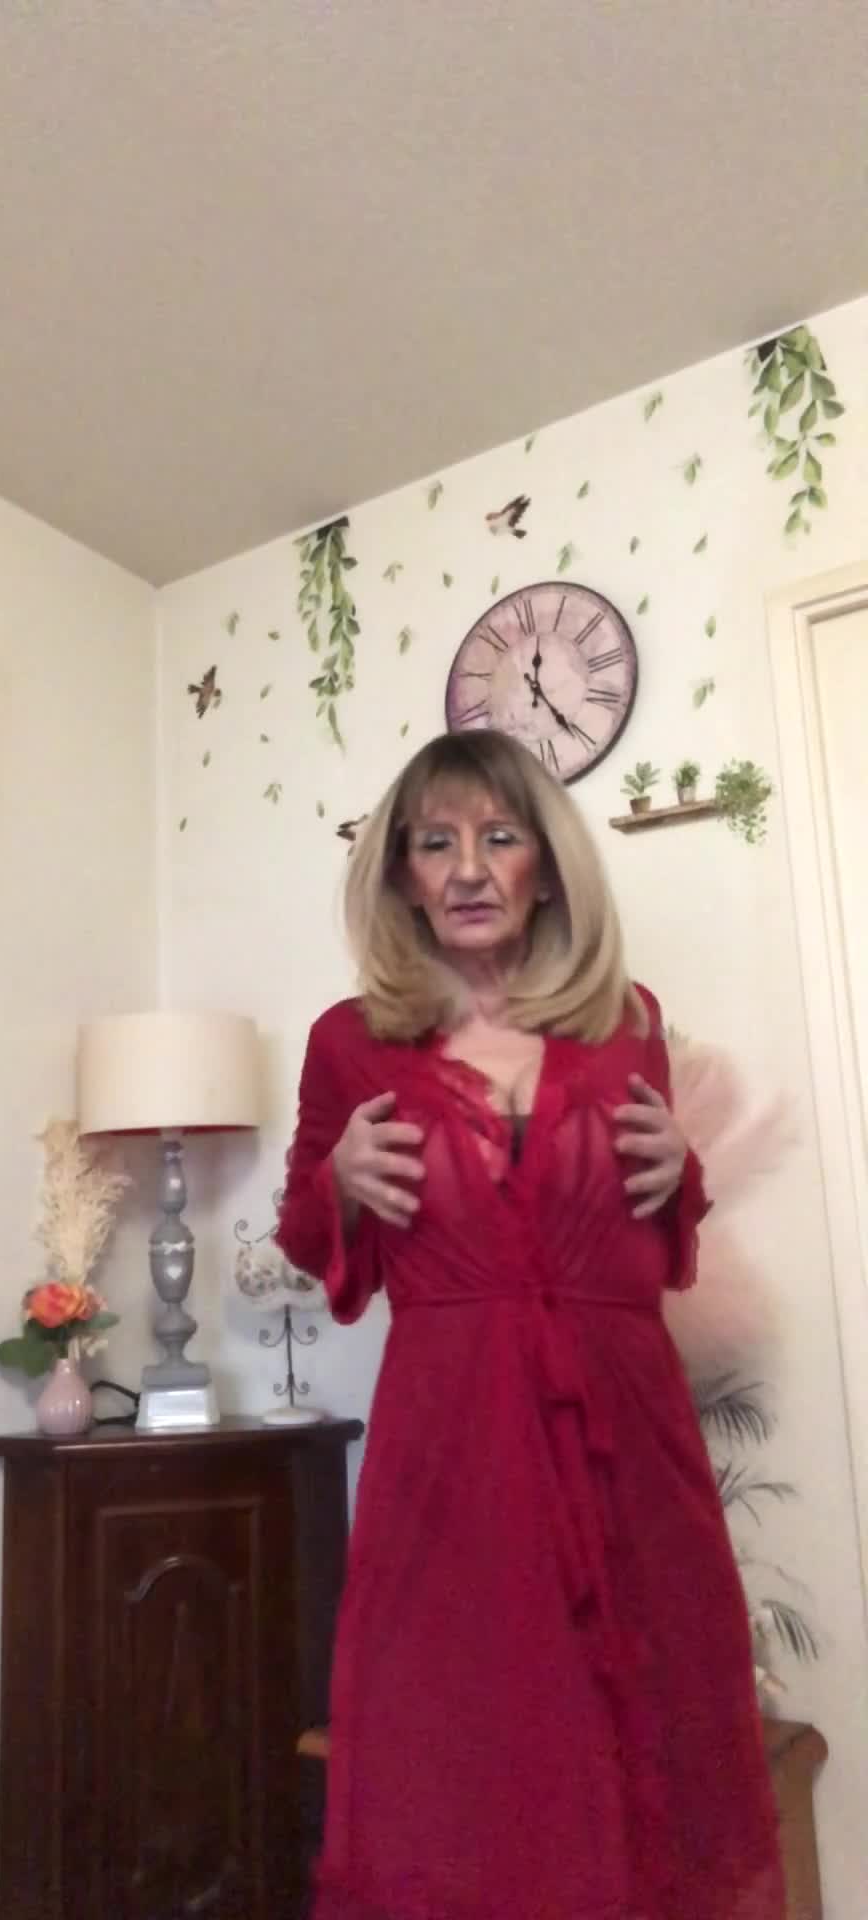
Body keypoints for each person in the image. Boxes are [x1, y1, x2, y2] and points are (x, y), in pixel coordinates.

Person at [277, 731, 783, 1920]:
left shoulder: (628, 1021)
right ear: (401, 875)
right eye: (435, 842)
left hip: (629, 1432)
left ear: (547, 869)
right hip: (454, 1441)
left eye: (499, 837)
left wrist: (681, 1172)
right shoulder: (348, 1043)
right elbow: (311, 1236)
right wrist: (338, 1181)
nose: (467, 867)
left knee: (647, 1716)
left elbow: (654, 1246)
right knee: (462, 1733)